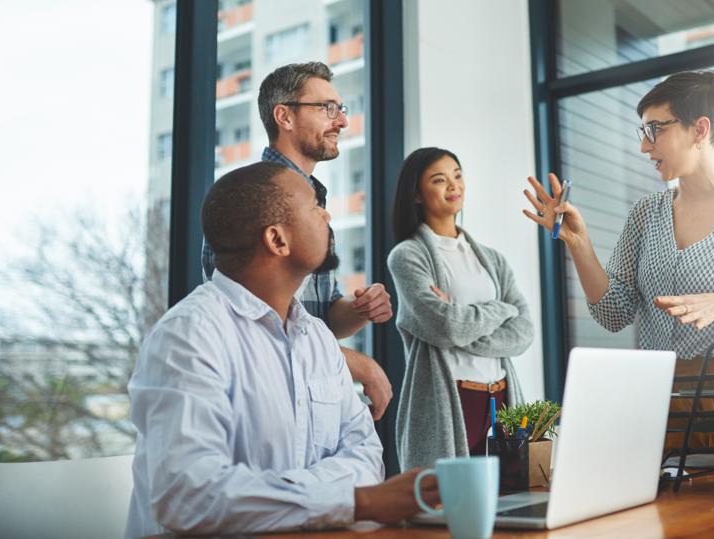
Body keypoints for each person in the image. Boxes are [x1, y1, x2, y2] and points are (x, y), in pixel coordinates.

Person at [126, 162, 437, 537]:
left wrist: (279, 496)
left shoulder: (317, 338)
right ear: (277, 240)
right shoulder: (188, 336)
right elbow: (189, 496)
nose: (326, 214)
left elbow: (367, 454)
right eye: (313, 207)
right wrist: (358, 502)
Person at [522, 70, 714, 452]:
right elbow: (613, 312)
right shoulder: (646, 214)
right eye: (642, 131)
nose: (644, 146)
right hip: (662, 404)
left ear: (699, 130)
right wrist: (578, 243)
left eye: (655, 129)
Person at [201, 61, 393, 421]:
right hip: (267, 403)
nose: (342, 121)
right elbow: (255, 327)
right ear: (284, 117)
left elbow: (323, 316)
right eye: (327, 109)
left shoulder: (315, 202)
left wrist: (359, 309)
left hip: (311, 395)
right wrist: (357, 364)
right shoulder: (248, 198)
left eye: (342, 109)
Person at [387, 147, 535, 470]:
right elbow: (446, 328)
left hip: (501, 397)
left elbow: (524, 333)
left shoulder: (492, 259)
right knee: (450, 508)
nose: (454, 185)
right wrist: (501, 309)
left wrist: (462, 319)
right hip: (452, 398)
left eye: (457, 175)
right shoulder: (407, 256)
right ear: (416, 194)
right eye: (440, 180)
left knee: (512, 505)